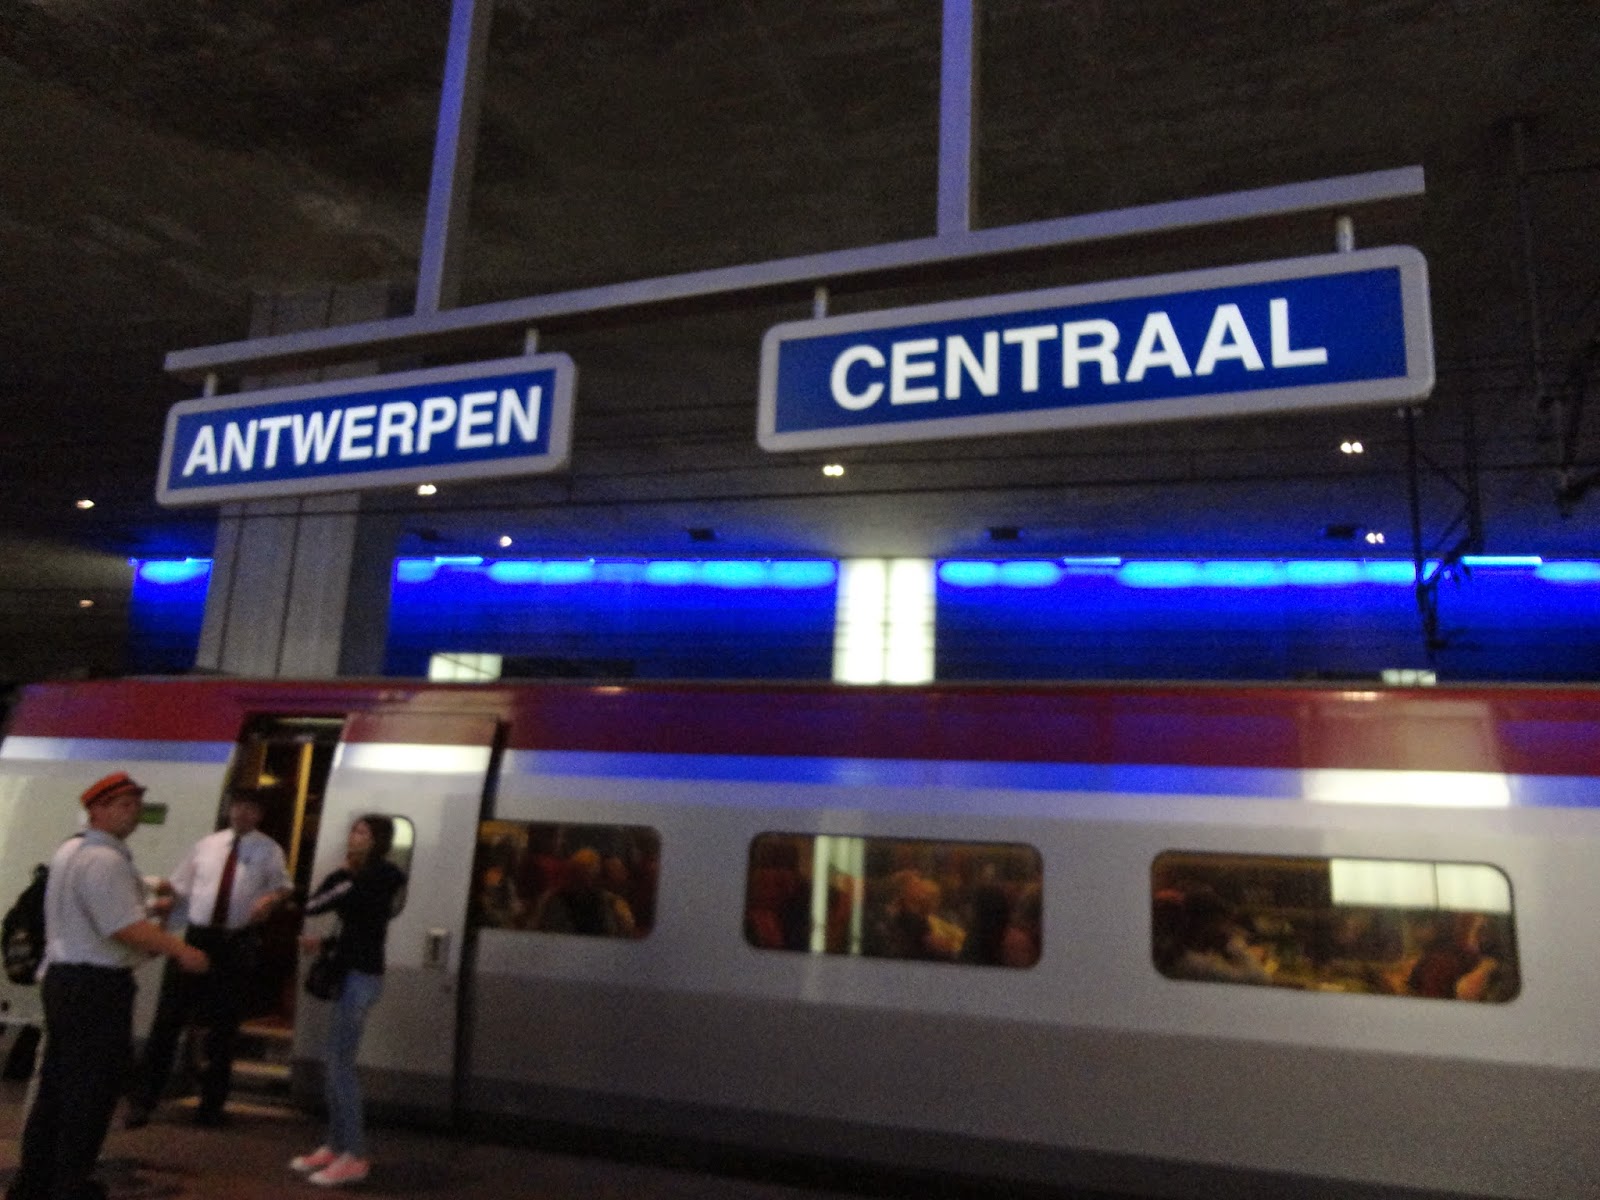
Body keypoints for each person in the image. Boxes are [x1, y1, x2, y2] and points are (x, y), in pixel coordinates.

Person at [6, 772, 208, 1200]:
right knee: (90, 1092)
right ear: (96, 810)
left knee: (56, 1089)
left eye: (135, 805)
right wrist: (181, 949)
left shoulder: (70, 850)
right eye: (122, 805)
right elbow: (123, 927)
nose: (132, 813)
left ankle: (35, 1181)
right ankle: (70, 1185)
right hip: (96, 988)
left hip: (65, 981)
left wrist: (149, 905)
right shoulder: (105, 860)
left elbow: (99, 910)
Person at [125, 786, 293, 1128]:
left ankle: (211, 1106)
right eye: (238, 807)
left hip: (235, 942)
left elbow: (283, 887)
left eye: (250, 809)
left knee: (224, 1027)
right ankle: (144, 1100)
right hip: (198, 937)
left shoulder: (269, 850)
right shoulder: (207, 845)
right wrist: (158, 903)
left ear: (259, 815)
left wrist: (271, 900)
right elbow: (180, 887)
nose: (242, 813)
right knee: (168, 1019)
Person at [289, 815, 407, 1188]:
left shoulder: (382, 876)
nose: (353, 837)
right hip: (352, 973)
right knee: (335, 1062)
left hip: (360, 978)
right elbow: (351, 923)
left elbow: (323, 904)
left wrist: (344, 874)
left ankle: (354, 1155)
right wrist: (325, 944)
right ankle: (335, 1145)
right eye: (354, 830)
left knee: (341, 1066)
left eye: (362, 832)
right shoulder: (361, 878)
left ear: (378, 840)